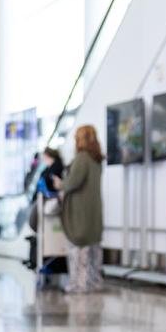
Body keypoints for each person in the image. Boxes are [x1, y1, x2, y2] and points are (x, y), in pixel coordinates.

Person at [54, 125, 105, 293]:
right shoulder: (96, 159)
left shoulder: (82, 158)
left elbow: (73, 182)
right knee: (93, 252)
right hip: (94, 212)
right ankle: (93, 282)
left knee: (78, 250)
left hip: (80, 212)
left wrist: (60, 184)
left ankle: (78, 284)